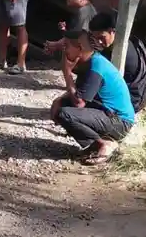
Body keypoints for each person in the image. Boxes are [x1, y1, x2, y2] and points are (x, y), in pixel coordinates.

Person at [53, 30, 136, 165]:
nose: (64, 50)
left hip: (120, 121)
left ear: (80, 48)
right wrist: (59, 101)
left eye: (66, 46)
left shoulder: (96, 67)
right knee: (62, 105)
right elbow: (80, 94)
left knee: (65, 114)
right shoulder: (91, 61)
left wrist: (67, 73)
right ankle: (94, 145)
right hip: (110, 114)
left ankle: (105, 144)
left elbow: (79, 102)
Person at [88, 11, 146, 113]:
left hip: (133, 100)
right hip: (135, 93)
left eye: (102, 37)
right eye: (96, 38)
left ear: (112, 31)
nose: (99, 41)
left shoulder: (120, 53)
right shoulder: (123, 42)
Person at [44, 0, 100, 94]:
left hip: (89, 53)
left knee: (67, 52)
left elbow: (79, 35)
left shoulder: (85, 11)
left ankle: (71, 88)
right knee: (66, 45)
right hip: (87, 49)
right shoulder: (85, 10)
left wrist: (64, 33)